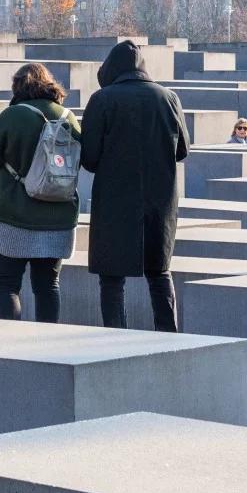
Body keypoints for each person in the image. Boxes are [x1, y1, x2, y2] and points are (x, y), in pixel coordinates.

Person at [81, 40, 190, 332]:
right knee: (160, 274)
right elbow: (182, 151)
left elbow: (89, 159)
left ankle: (117, 340)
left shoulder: (102, 100)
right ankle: (170, 338)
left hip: (115, 202)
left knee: (112, 279)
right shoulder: (168, 98)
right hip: (160, 200)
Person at [0, 63, 81, 324]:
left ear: (18, 86)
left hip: (14, 215)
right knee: (48, 287)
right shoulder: (68, 116)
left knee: (7, 285)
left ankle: (13, 349)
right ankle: (49, 348)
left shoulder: (13, 116)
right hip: (59, 217)